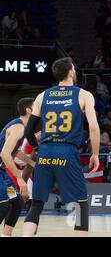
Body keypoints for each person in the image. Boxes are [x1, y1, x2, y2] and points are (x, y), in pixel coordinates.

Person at [22, 57, 100, 237]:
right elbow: (94, 127)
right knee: (80, 204)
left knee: (37, 204)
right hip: (67, 151)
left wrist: (37, 148)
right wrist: (95, 153)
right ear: (71, 72)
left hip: (45, 151)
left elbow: (28, 131)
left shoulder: (43, 96)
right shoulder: (83, 94)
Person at [0, 98, 35, 237]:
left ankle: (6, 235)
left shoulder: (21, 127)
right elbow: (4, 154)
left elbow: (15, 151)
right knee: (3, 205)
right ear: (28, 110)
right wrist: (19, 178)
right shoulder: (18, 127)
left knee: (17, 202)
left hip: (1, 172)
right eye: (36, 107)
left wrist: (31, 163)